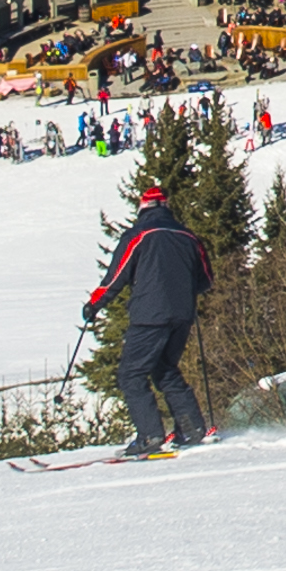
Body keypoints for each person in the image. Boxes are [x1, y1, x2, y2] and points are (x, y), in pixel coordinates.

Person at [88, 178, 218, 457]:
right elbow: (206, 280)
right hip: (182, 315)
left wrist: (94, 305)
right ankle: (193, 429)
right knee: (165, 369)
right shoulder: (189, 237)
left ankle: (151, 436)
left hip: (150, 315)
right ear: (167, 206)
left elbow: (116, 277)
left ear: (143, 206)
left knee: (131, 374)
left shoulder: (139, 235)